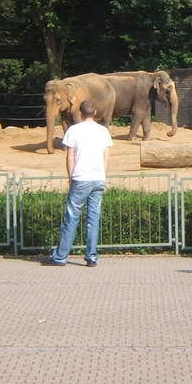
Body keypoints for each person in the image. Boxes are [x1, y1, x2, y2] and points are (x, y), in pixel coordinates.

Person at [47, 98, 112, 267]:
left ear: (80, 114)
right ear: (95, 113)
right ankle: (91, 256)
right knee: (93, 219)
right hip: (98, 177)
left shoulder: (74, 131)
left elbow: (70, 157)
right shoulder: (103, 131)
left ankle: (61, 256)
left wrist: (71, 176)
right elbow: (106, 157)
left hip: (80, 178)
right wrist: (103, 176)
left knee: (71, 217)